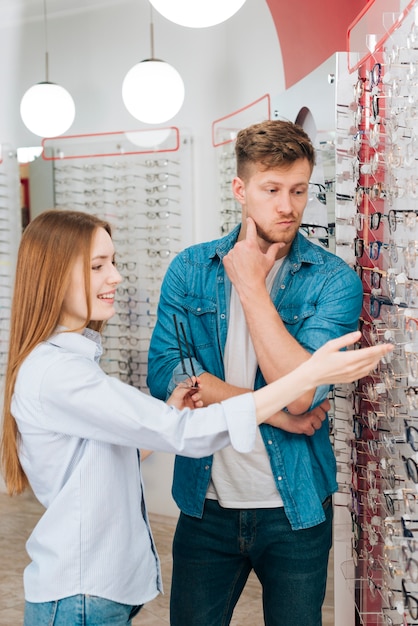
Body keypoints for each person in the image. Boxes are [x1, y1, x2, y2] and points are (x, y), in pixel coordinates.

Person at [0, 209, 388, 626]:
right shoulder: (59, 374)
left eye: (112, 263)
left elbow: (109, 455)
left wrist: (169, 414)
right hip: (78, 598)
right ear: (53, 276)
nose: (114, 277)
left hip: (92, 594)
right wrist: (305, 377)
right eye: (97, 267)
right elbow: (185, 434)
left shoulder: (67, 364)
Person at [147, 119, 365, 626]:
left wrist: (249, 283)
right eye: (271, 190)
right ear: (241, 190)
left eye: (298, 190)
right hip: (206, 505)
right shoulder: (190, 269)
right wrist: (277, 415)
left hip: (295, 509)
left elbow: (301, 400)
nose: (287, 206)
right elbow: (169, 377)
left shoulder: (334, 282)